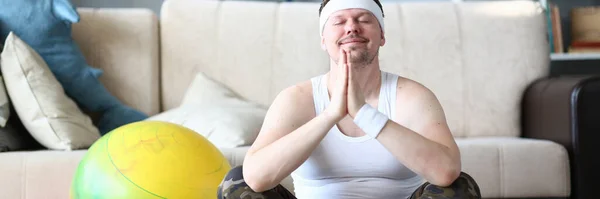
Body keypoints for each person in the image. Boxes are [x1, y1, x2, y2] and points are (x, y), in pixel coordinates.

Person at [217, 0, 481, 198]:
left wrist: (364, 113)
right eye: (339, 21)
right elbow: (255, 177)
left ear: (382, 36)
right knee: (236, 184)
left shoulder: (412, 97)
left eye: (364, 19)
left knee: (459, 188)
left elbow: (447, 172)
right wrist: (332, 113)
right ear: (323, 40)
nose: (352, 27)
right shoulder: (296, 99)